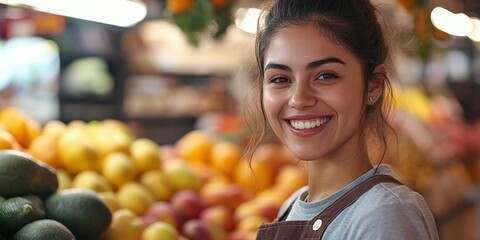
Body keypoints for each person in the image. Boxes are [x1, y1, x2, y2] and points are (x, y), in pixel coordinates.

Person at [242, 0, 440, 239]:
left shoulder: (383, 214)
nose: (299, 99)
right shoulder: (292, 206)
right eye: (280, 79)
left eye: (326, 75)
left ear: (374, 85)